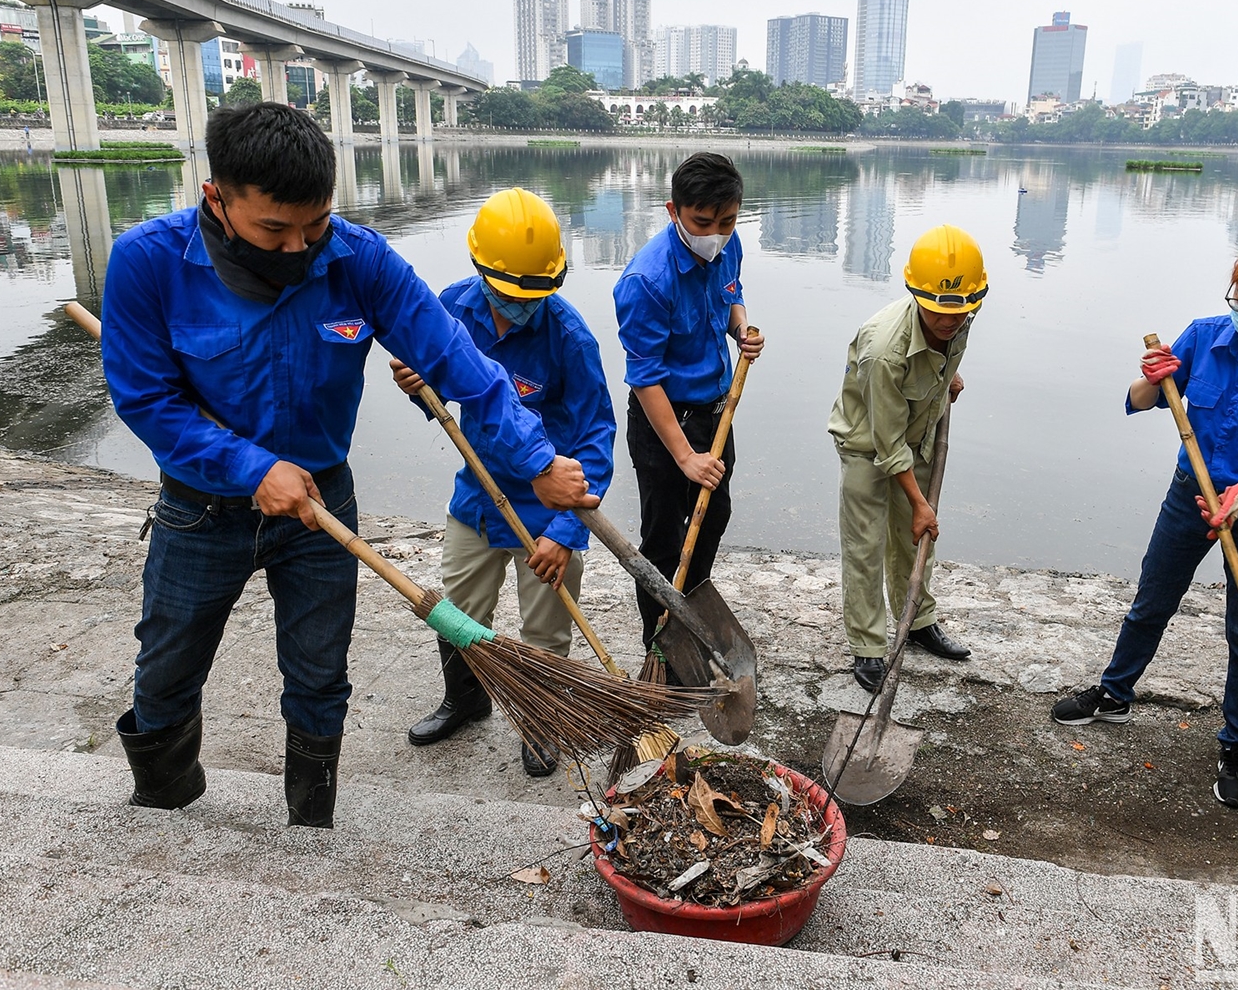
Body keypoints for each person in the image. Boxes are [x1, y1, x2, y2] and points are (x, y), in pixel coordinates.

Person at [99, 102, 592, 829]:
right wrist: (250, 468)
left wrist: (538, 458)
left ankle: (310, 825)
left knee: (320, 673)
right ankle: (163, 807)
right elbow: (147, 401)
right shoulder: (146, 263)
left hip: (321, 507)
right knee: (167, 665)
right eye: (275, 229)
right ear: (217, 197)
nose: (300, 247)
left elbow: (461, 363)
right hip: (200, 508)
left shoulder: (359, 259)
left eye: (315, 224)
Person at [1050, 221, 1238, 810]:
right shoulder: (1203, 337)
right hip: (1190, 495)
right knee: (1152, 599)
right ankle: (1113, 695)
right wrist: (1150, 378)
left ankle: (1237, 742)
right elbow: (1139, 400)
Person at [388, 188, 615, 777]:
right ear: (480, 270)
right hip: (477, 494)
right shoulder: (448, 311)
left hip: (547, 508)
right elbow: (443, 402)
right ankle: (466, 700)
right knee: (457, 608)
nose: (522, 307)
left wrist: (565, 532)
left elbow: (595, 441)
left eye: (536, 296)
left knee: (546, 624)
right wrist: (420, 389)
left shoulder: (570, 338)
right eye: (512, 295)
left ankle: (542, 719)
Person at [613, 152, 764, 644]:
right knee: (663, 535)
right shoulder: (646, 281)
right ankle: (658, 638)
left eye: (727, 220)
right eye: (703, 222)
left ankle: (691, 613)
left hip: (716, 413)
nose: (716, 233)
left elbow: (731, 293)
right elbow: (646, 378)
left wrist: (741, 329)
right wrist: (685, 457)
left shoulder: (729, 242)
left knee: (714, 515)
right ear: (672, 210)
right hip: (665, 424)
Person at [828, 225, 984, 692]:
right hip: (867, 443)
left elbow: (948, 346)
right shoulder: (883, 351)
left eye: (960, 312)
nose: (949, 322)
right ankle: (869, 646)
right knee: (866, 545)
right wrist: (920, 502)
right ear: (916, 294)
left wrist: (947, 375)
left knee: (913, 539)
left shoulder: (961, 315)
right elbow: (884, 441)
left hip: (916, 435)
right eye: (938, 312)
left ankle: (917, 622)